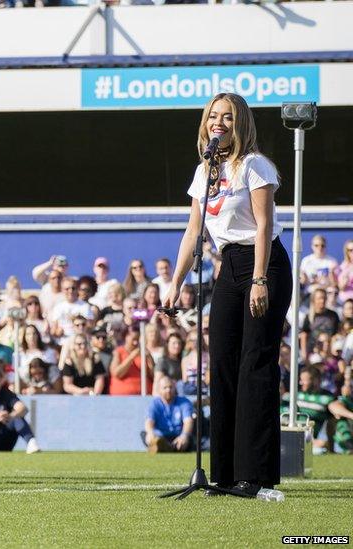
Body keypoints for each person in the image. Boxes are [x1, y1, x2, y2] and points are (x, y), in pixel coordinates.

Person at [161, 92, 292, 497]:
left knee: (255, 365)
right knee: (222, 363)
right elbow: (192, 231)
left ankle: (256, 476)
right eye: (214, 116)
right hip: (227, 266)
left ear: (241, 124)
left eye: (228, 118)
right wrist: (176, 280)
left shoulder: (256, 166)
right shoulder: (205, 172)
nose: (219, 123)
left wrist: (258, 280)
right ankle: (225, 475)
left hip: (263, 264)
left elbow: (263, 225)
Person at [143, 376, 195, 453]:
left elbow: (188, 421)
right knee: (145, 435)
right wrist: (150, 433)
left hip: (178, 436)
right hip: (161, 437)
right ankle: (163, 446)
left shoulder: (184, 402)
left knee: (188, 439)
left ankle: (166, 448)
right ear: (159, 390)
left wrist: (184, 435)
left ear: (175, 388)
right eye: (165, 388)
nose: (168, 390)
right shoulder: (154, 403)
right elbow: (149, 422)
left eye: (171, 387)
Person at [108, 327, 153, 396]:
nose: (135, 342)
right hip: (122, 397)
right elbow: (117, 373)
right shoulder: (118, 352)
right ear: (126, 337)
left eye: (137, 340)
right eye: (133, 339)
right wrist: (132, 357)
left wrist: (149, 358)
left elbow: (153, 376)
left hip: (143, 394)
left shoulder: (143, 352)